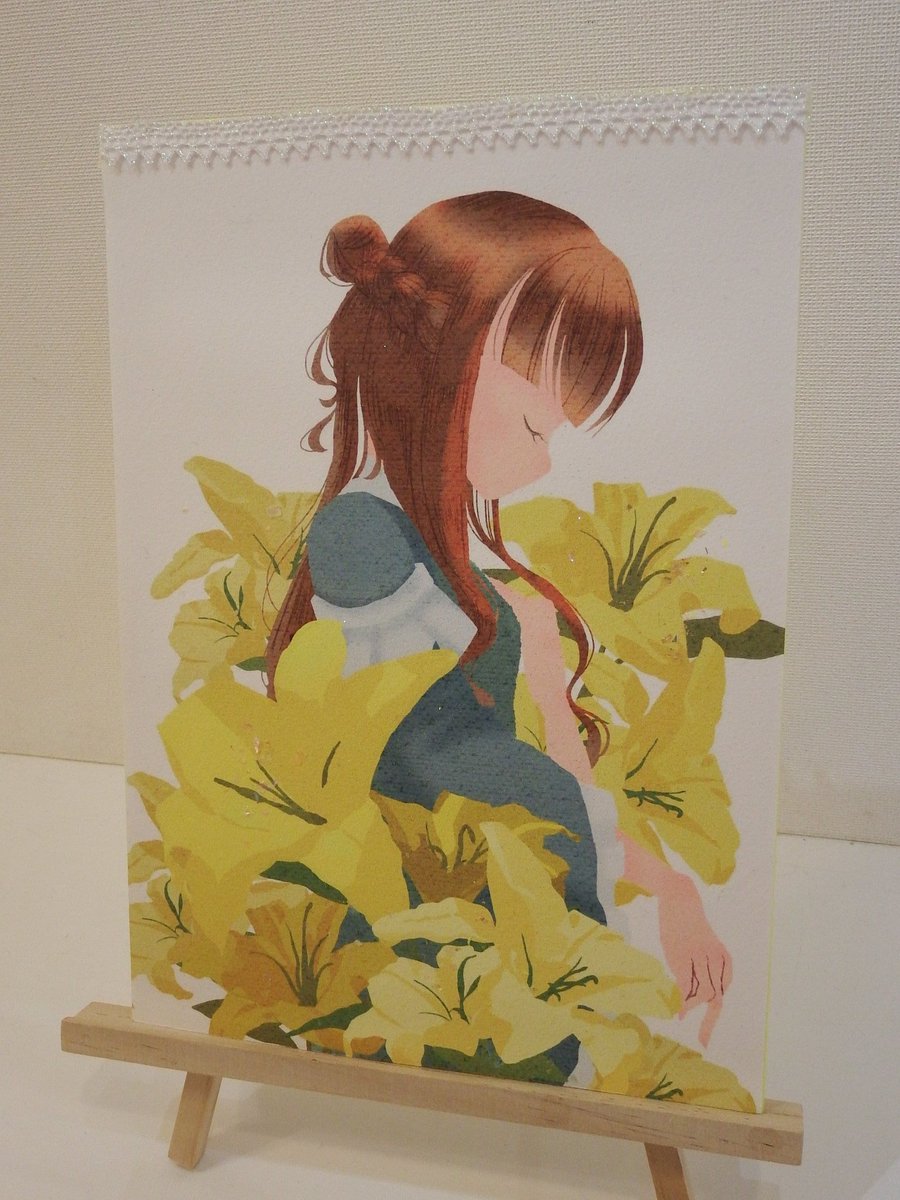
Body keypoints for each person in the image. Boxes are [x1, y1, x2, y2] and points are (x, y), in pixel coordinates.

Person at [266, 191, 731, 1046]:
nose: (543, 462)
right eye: (532, 423)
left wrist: (668, 887)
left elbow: (553, 771)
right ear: (425, 360)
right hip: (432, 936)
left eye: (553, 433)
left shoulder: (453, 577)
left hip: (510, 918)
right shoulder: (362, 539)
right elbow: (420, 765)